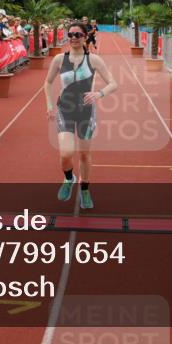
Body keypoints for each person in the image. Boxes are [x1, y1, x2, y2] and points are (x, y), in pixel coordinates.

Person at [44, 22, 118, 210]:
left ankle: (85, 189)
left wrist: (99, 94)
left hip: (86, 111)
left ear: (85, 37)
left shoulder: (94, 60)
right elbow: (48, 83)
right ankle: (69, 178)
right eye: (71, 35)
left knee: (84, 154)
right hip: (65, 110)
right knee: (65, 154)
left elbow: (113, 83)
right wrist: (50, 106)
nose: (73, 38)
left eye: (77, 35)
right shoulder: (60, 59)